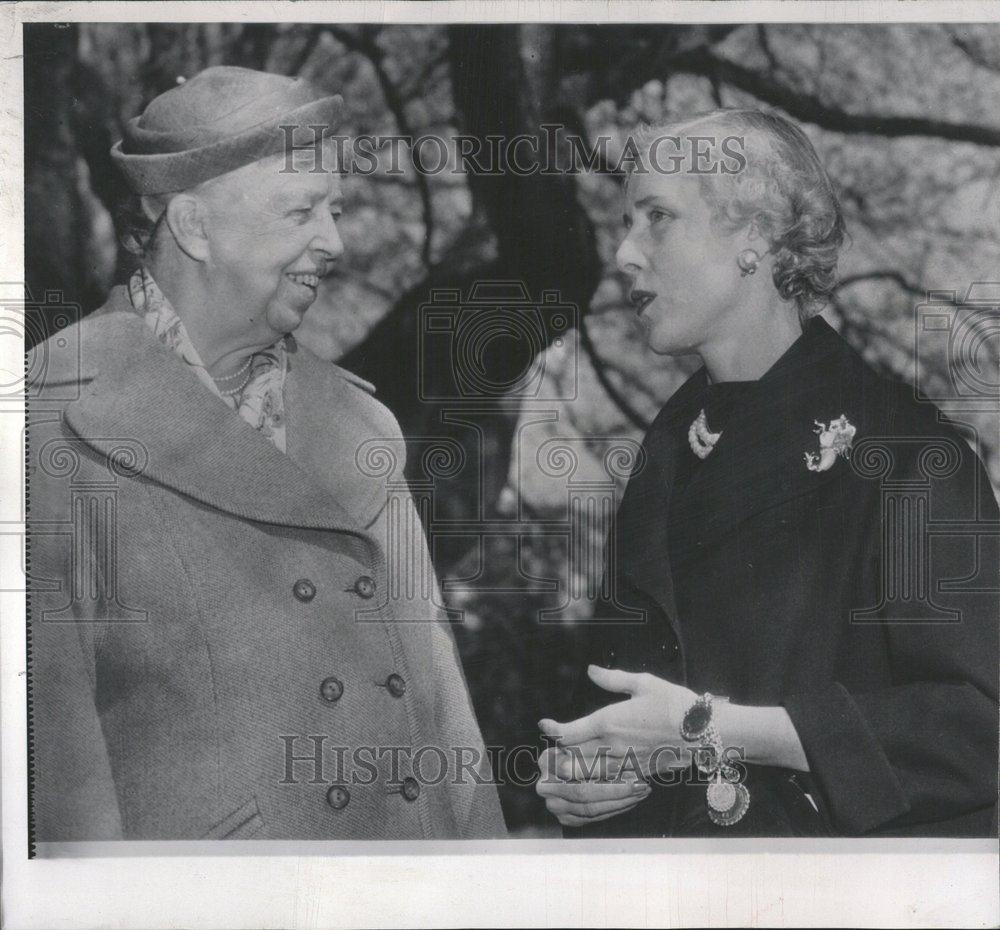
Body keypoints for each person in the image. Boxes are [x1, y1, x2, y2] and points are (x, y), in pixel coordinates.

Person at [27, 66, 506, 842]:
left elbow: (444, 713)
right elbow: (58, 778)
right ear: (194, 227)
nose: (336, 242)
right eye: (302, 212)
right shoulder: (46, 422)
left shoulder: (363, 425)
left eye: (338, 209)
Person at [536, 108, 999, 837]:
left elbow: (981, 728)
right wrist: (598, 776)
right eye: (629, 221)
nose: (625, 252)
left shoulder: (906, 454)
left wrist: (712, 728)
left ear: (753, 235)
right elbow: (636, 709)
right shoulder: (664, 457)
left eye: (657, 217)